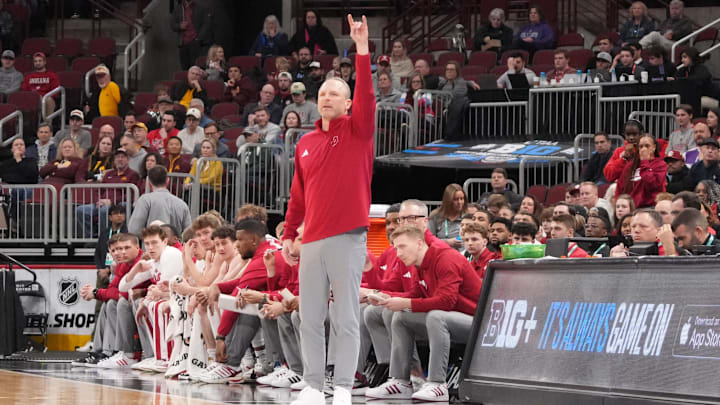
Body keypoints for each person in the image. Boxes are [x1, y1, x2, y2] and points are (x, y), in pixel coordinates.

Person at [282, 15, 373, 405]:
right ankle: (314, 386)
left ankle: (342, 389)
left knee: (345, 318)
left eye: (335, 93)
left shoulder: (357, 130)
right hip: (312, 240)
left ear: (349, 102)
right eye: (323, 93)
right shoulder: (304, 143)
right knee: (309, 317)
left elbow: (368, 95)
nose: (326, 97)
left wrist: (363, 49)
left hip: (348, 236)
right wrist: (288, 234)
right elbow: (298, 196)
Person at [365, 225, 481, 402]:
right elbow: (414, 295)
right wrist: (387, 298)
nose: (398, 253)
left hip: (478, 324)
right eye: (395, 248)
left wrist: (406, 303)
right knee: (401, 316)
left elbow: (446, 301)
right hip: (450, 318)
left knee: (435, 316)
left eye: (402, 246)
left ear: (419, 243)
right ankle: (401, 381)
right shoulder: (418, 265)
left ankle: (437, 384)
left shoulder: (446, 258)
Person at [75, 149, 140, 238]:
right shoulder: (109, 174)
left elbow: (131, 194)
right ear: (114, 160)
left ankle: (104, 239)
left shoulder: (133, 174)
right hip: (102, 203)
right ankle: (89, 238)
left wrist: (112, 202)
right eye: (117, 157)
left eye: (123, 157)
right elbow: (98, 190)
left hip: (118, 205)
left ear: (128, 160)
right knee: (81, 210)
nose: (120, 159)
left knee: (104, 211)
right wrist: (98, 201)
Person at [128, 166, 192, 236]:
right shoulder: (182, 204)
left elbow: (134, 229)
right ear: (168, 181)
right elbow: (188, 233)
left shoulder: (145, 200)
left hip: (151, 245)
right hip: (176, 246)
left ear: (149, 183)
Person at [613, 134, 667, 208]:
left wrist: (645, 162)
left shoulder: (660, 165)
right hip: (630, 207)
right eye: (641, 146)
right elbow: (620, 187)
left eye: (647, 146)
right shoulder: (630, 165)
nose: (643, 149)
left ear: (654, 148)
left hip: (650, 207)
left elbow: (651, 184)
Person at [171, 0, 213, 70]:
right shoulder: (178, 9)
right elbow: (172, 24)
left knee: (197, 68)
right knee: (185, 69)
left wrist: (199, 38)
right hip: (183, 43)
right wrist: (179, 26)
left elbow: (207, 23)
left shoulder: (200, 7)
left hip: (196, 43)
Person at [604, 119, 644, 185]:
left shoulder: (648, 149)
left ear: (641, 133)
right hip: (623, 189)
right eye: (628, 134)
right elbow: (609, 176)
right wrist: (623, 159)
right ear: (624, 135)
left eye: (634, 134)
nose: (631, 137)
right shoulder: (619, 151)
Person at [428, 184, 466, 250]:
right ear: (448, 200)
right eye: (456, 199)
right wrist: (447, 242)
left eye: (462, 199)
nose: (459, 202)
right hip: (441, 253)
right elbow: (429, 240)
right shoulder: (436, 215)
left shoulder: (467, 216)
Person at [21, 52, 60, 117]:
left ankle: (47, 125)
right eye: (35, 61)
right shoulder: (29, 76)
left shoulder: (52, 75)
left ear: (45, 62)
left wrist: (43, 97)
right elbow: (24, 90)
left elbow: (56, 91)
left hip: (46, 99)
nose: (38, 63)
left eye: (40, 61)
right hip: (32, 99)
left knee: (48, 100)